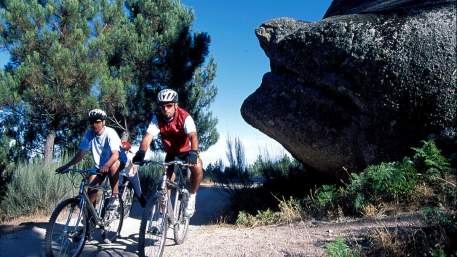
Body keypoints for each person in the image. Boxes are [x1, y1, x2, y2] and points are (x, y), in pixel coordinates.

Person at [132, 88, 203, 218]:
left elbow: (193, 136)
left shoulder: (185, 116)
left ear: (176, 105)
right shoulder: (157, 118)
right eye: (162, 106)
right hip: (171, 153)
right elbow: (148, 137)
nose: (165, 109)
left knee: (197, 167)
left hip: (187, 151)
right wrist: (141, 152)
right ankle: (162, 216)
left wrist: (194, 152)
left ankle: (192, 196)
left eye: (169, 105)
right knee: (165, 186)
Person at [56, 108, 124, 210]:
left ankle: (115, 196)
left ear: (103, 122)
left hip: (117, 160)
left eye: (97, 122)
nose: (94, 124)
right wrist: (66, 166)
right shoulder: (89, 134)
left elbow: (115, 155)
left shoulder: (110, 133)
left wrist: (106, 165)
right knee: (91, 189)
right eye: (91, 122)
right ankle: (90, 218)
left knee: (113, 165)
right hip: (101, 166)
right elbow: (80, 155)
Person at [119, 132, 147, 208]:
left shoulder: (131, 154)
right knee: (116, 190)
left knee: (138, 192)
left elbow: (135, 165)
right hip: (121, 174)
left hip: (131, 174)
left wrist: (134, 166)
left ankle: (145, 209)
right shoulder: (117, 150)